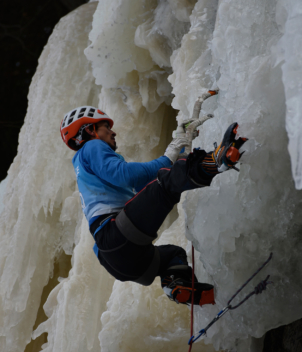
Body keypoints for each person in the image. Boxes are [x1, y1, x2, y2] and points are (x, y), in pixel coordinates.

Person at [60, 98, 247, 306]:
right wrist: (168, 158)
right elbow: (128, 176)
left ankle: (177, 286)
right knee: (165, 185)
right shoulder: (92, 147)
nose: (113, 132)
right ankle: (216, 161)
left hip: (115, 260)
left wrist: (177, 149)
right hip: (116, 232)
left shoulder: (85, 168)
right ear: (90, 130)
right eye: (106, 127)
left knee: (173, 255)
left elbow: (145, 193)